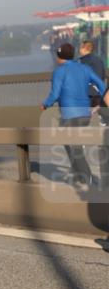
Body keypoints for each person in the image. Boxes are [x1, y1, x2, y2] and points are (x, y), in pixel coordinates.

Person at [41, 42, 106, 187]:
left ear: (59, 56)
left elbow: (55, 93)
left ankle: (88, 180)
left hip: (70, 115)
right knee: (70, 143)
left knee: (74, 146)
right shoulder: (84, 68)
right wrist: (103, 102)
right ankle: (80, 175)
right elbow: (101, 85)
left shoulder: (59, 71)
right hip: (86, 114)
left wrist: (45, 104)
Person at [78, 40, 108, 126]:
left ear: (85, 48)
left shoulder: (84, 61)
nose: (79, 49)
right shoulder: (98, 60)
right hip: (96, 92)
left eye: (81, 47)